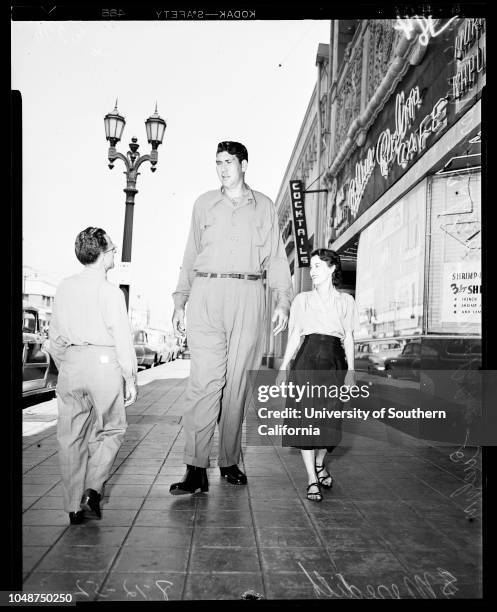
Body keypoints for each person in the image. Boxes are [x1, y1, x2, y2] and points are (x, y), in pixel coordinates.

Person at [170, 141, 293, 494]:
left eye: (229, 162)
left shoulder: (265, 207)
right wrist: (181, 300)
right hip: (207, 294)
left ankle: (229, 461)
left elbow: (276, 259)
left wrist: (282, 300)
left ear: (244, 165)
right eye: (218, 162)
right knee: (203, 384)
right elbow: (191, 252)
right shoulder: (204, 204)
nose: (223, 168)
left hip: (249, 295)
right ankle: (195, 468)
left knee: (236, 386)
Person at [48, 227, 138, 524]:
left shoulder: (65, 287)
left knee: (70, 437)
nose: (114, 253)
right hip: (104, 362)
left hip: (71, 363)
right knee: (111, 429)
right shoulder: (111, 293)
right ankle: (92, 490)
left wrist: (69, 364)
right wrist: (131, 377)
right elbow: (122, 339)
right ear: (102, 255)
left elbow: (55, 337)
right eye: (111, 249)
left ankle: (73, 507)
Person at [277, 249, 359, 502]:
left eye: (317, 266)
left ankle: (321, 463)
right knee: (305, 421)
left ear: (332, 268)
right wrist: (283, 367)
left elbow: (349, 339)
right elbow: (295, 335)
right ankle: (312, 478)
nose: (312, 271)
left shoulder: (346, 302)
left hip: (335, 364)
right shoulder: (302, 300)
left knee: (330, 423)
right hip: (306, 363)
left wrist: (351, 372)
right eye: (310, 266)